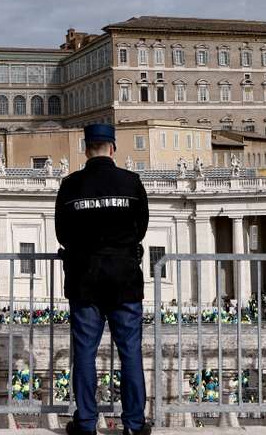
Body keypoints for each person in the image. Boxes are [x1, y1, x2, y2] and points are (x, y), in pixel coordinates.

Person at [55, 123, 150, 435]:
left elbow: (63, 234)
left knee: (84, 353)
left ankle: (85, 423)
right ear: (113, 147)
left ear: (86, 148)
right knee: (130, 353)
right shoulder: (131, 182)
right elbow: (141, 228)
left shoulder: (70, 186)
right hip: (124, 278)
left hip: (85, 279)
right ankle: (134, 425)